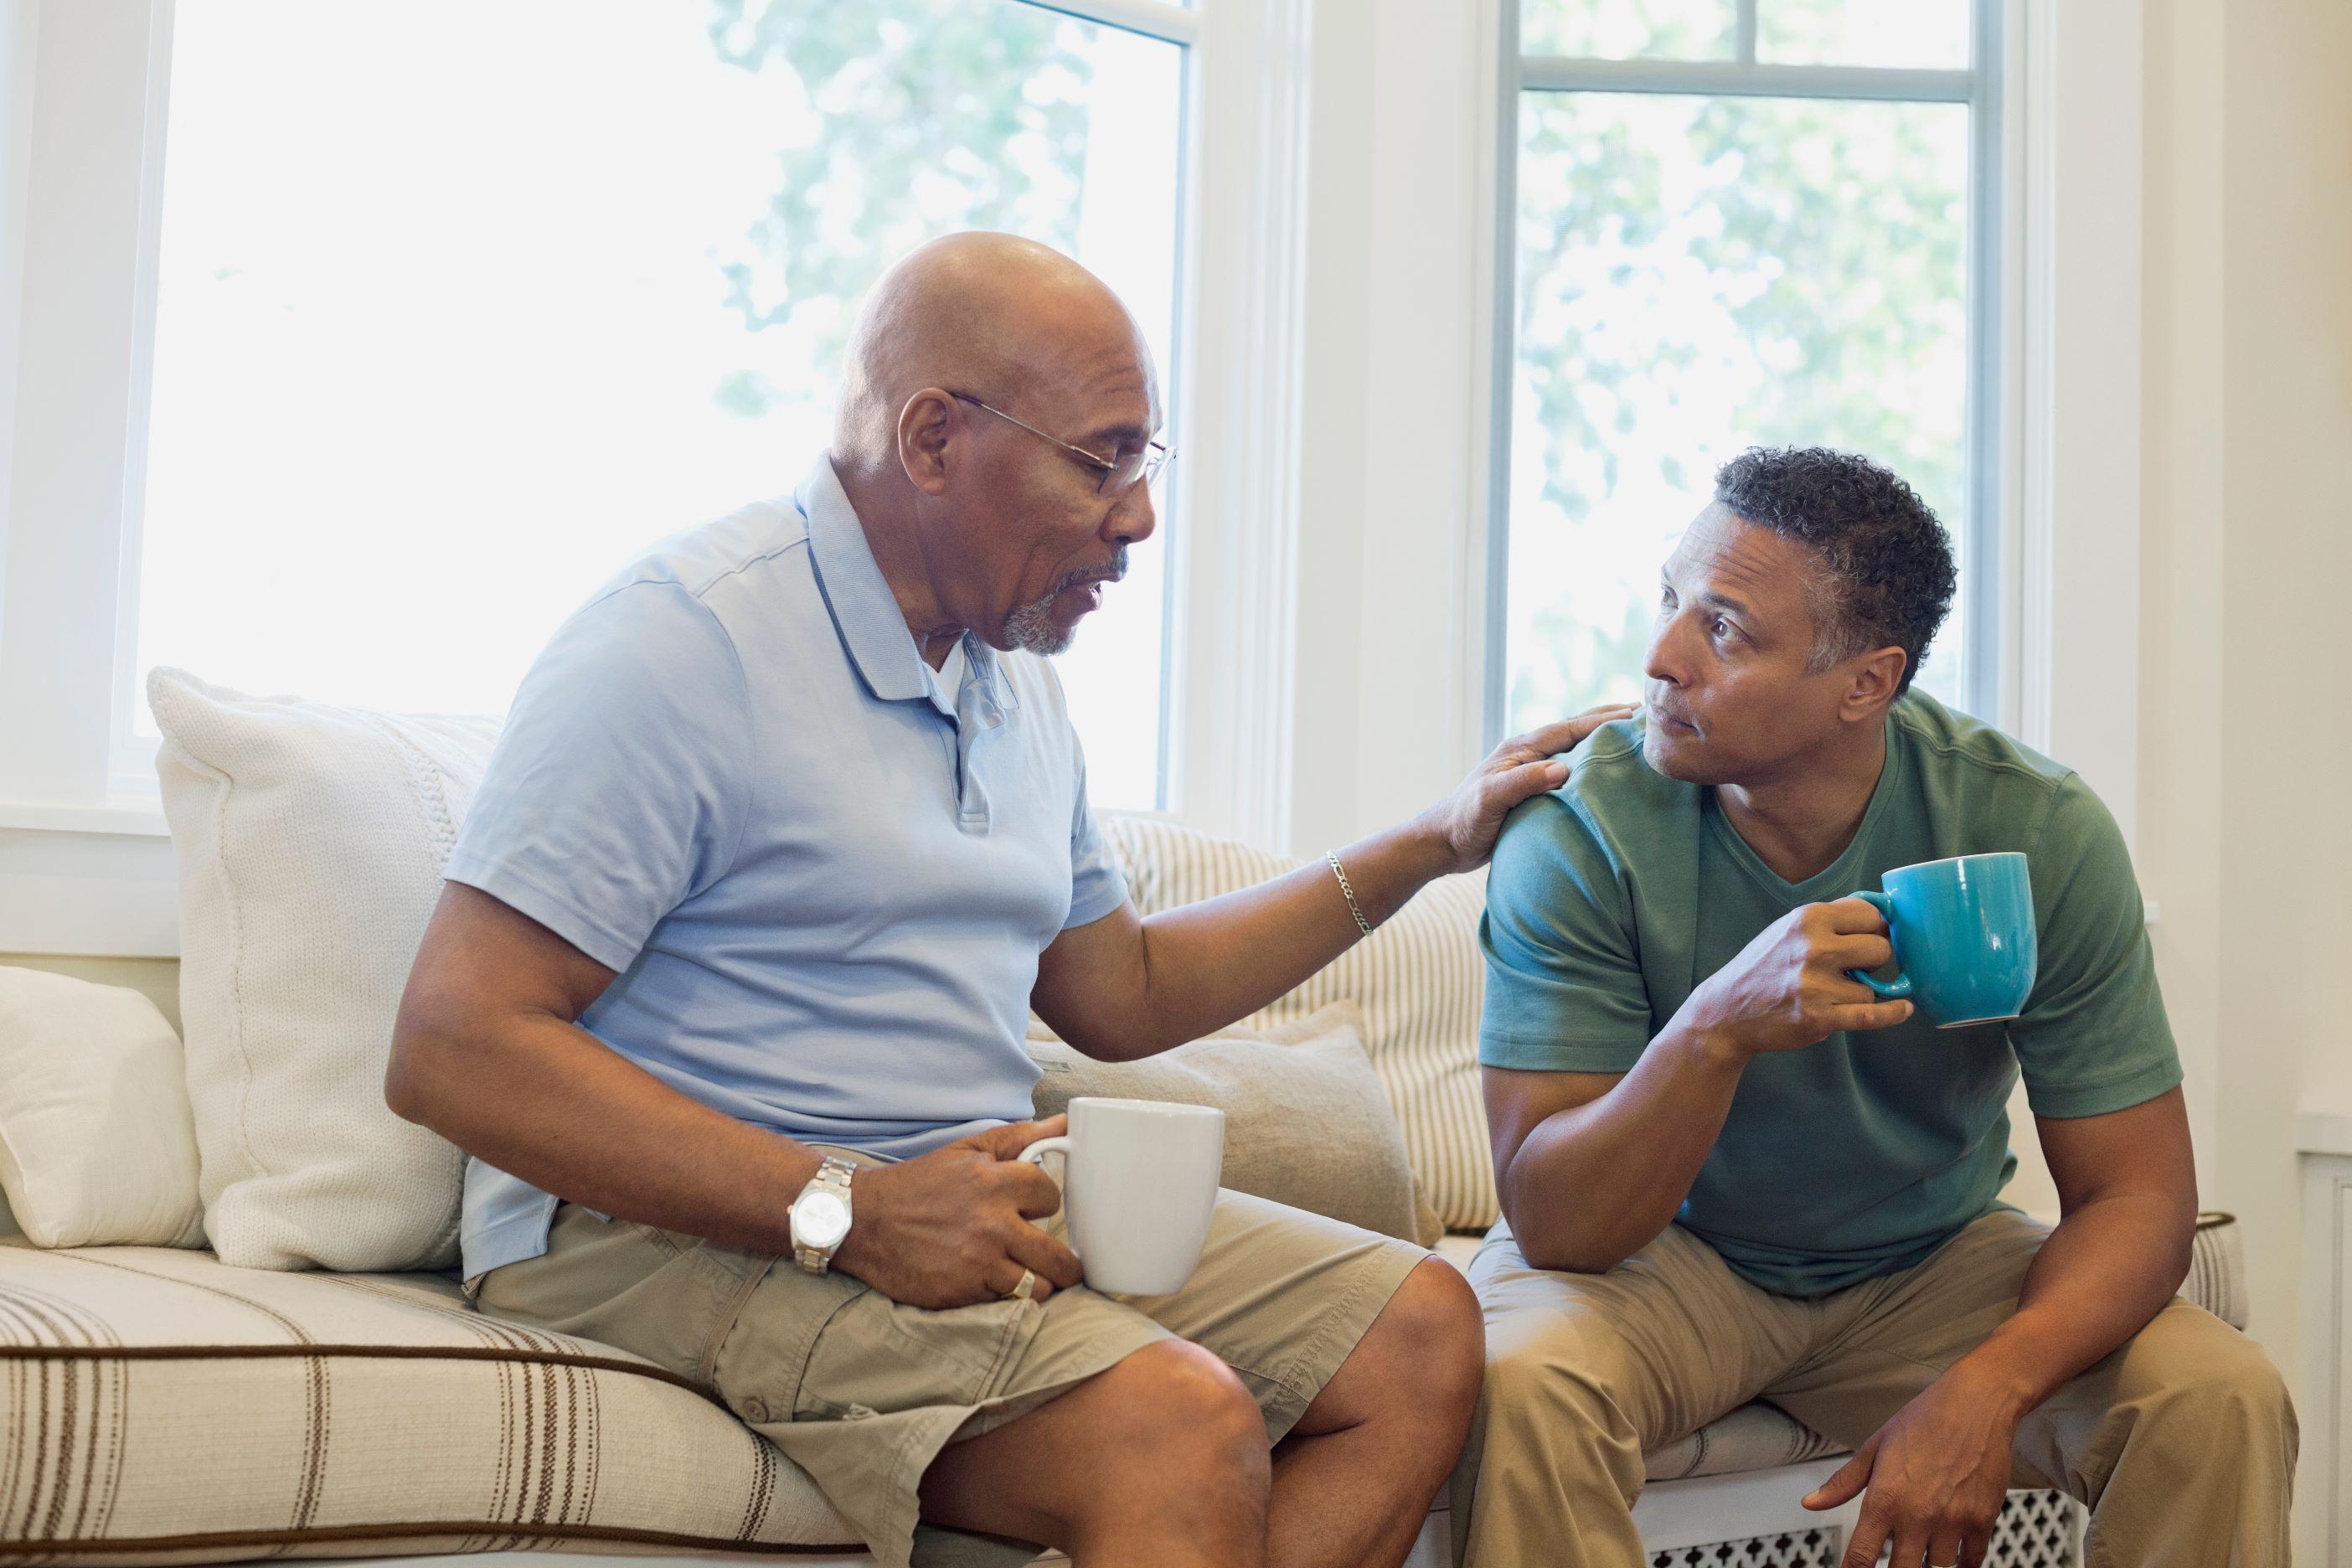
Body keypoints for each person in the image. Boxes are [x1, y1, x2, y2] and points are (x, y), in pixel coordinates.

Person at [385, 230, 1627, 1568]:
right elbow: (454, 1043)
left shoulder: (1008, 673)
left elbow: (1122, 989)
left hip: (958, 1195)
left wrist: (1428, 846)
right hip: (649, 1228)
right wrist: (851, 1209)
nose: (1139, 514)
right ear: (933, 439)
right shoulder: (684, 641)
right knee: (1174, 1422)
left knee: (1422, 1334)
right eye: (1103, 458)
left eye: (1145, 462)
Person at [1457, 446, 2294, 1568]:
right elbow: (1557, 1222)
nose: (1659, 660)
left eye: (1724, 629)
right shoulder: (1581, 827)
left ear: (1866, 683)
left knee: (2217, 1392)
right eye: (1669, 602)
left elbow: (2139, 1197)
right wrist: (1714, 1030)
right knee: (1520, 1382)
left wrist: (1990, 1384)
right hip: (1659, 1264)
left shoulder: (2031, 829)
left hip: (1927, 1261)